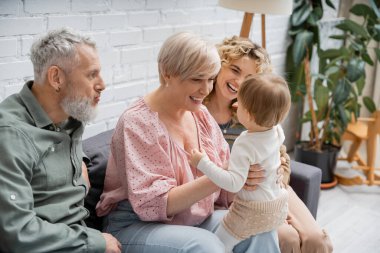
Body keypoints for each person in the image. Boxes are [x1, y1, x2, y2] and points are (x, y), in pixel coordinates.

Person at [96, 32, 282, 253]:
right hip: (137, 225)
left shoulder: (201, 115)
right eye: (196, 79)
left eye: (211, 78)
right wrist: (223, 176)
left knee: (258, 228)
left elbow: (226, 189)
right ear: (167, 73)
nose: (206, 90)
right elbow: (152, 205)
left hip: (193, 218)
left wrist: (255, 179)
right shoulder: (137, 122)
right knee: (205, 246)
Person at [204, 35, 333, 253]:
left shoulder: (256, 116)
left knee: (316, 240)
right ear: (219, 66)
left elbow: (281, 158)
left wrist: (282, 171)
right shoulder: (198, 112)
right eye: (235, 70)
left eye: (250, 77)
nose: (239, 82)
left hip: (273, 190)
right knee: (288, 238)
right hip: (245, 202)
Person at [0, 28, 121, 253]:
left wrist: (80, 160)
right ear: (56, 78)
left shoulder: (70, 117)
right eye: (91, 74)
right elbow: (16, 233)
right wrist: (97, 243)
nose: (102, 84)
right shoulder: (10, 135)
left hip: (79, 233)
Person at [190, 73, 291, 253]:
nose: (235, 106)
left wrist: (202, 163)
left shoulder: (245, 143)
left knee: (217, 245)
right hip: (278, 206)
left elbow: (234, 183)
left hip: (250, 212)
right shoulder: (277, 131)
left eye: (240, 105)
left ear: (249, 115)